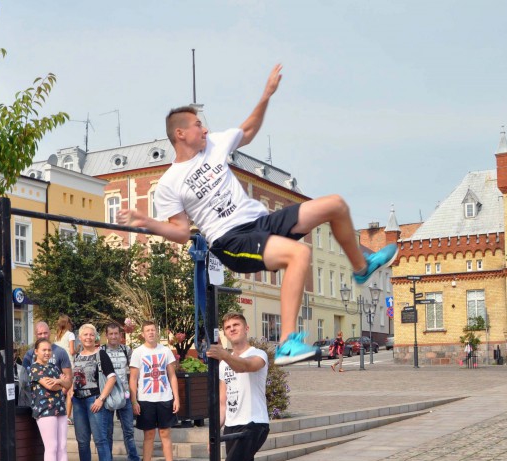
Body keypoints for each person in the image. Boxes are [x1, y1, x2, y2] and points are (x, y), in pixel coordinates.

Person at [118, 64, 397, 366]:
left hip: (262, 222)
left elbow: (248, 130)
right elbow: (182, 232)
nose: (206, 129)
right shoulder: (170, 182)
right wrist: (146, 222)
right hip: (232, 240)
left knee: (335, 205)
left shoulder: (213, 145)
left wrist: (265, 95)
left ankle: (360, 266)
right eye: (199, 125)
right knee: (299, 255)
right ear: (180, 133)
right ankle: (289, 342)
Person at [207, 313, 269, 461]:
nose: (232, 329)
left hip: (254, 424)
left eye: (236, 326)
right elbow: (223, 402)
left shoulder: (258, 354)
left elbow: (245, 367)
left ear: (246, 328)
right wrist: (215, 433)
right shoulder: (224, 364)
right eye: (228, 327)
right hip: (232, 426)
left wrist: (225, 355)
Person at [129, 320, 180, 461]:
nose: (151, 333)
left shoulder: (165, 351)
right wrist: (134, 400)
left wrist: (176, 397)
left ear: (157, 332)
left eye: (153, 330)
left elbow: (172, 375)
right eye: (147, 330)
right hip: (145, 399)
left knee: (165, 433)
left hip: (164, 397)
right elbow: (133, 378)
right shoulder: (138, 352)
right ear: (143, 334)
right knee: (148, 435)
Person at [70, 324, 118, 461]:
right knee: (82, 441)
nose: (88, 337)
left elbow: (112, 378)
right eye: (85, 335)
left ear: (95, 337)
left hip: (95, 400)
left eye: (91, 335)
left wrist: (101, 398)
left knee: (100, 439)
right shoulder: (77, 356)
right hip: (78, 401)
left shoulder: (101, 354)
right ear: (80, 338)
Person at [27, 338, 76, 461]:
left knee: (62, 446)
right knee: (52, 447)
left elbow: (68, 384)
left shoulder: (53, 367)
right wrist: (61, 382)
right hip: (45, 410)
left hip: (60, 409)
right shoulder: (35, 368)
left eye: (49, 350)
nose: (47, 353)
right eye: (44, 350)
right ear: (36, 352)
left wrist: (61, 381)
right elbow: (51, 386)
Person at [101, 321, 142, 461]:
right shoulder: (101, 351)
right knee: (107, 433)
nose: (113, 337)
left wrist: (134, 397)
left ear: (120, 335)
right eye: (110, 334)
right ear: (106, 336)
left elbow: (133, 375)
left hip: (124, 395)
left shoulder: (127, 350)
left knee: (129, 432)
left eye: (116, 334)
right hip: (108, 396)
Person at [21, 321, 73, 394]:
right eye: (40, 334)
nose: (43, 336)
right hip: (39, 400)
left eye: (45, 333)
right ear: (35, 335)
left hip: (58, 400)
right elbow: (24, 379)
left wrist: (61, 393)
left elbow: (68, 378)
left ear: (49, 333)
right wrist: (61, 382)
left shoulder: (60, 352)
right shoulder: (30, 355)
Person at [55, 314, 76, 421]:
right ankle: (67, 416)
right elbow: (72, 351)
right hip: (69, 365)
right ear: (67, 323)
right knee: (69, 392)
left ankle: (57, 411)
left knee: (59, 389)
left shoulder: (57, 336)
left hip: (58, 365)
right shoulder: (70, 335)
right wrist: (79, 348)